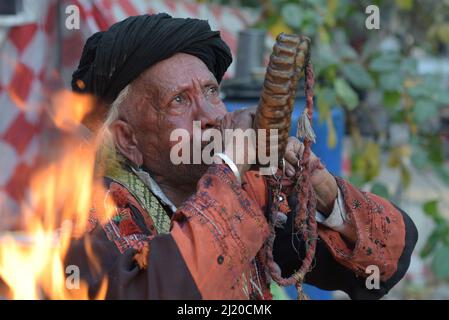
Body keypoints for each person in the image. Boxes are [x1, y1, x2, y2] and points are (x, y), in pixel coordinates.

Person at [65, 13, 418, 300]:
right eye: (179, 101)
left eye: (211, 91)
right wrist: (230, 168)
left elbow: (386, 262)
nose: (212, 117)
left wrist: (322, 190)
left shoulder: (245, 195)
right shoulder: (92, 219)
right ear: (128, 140)